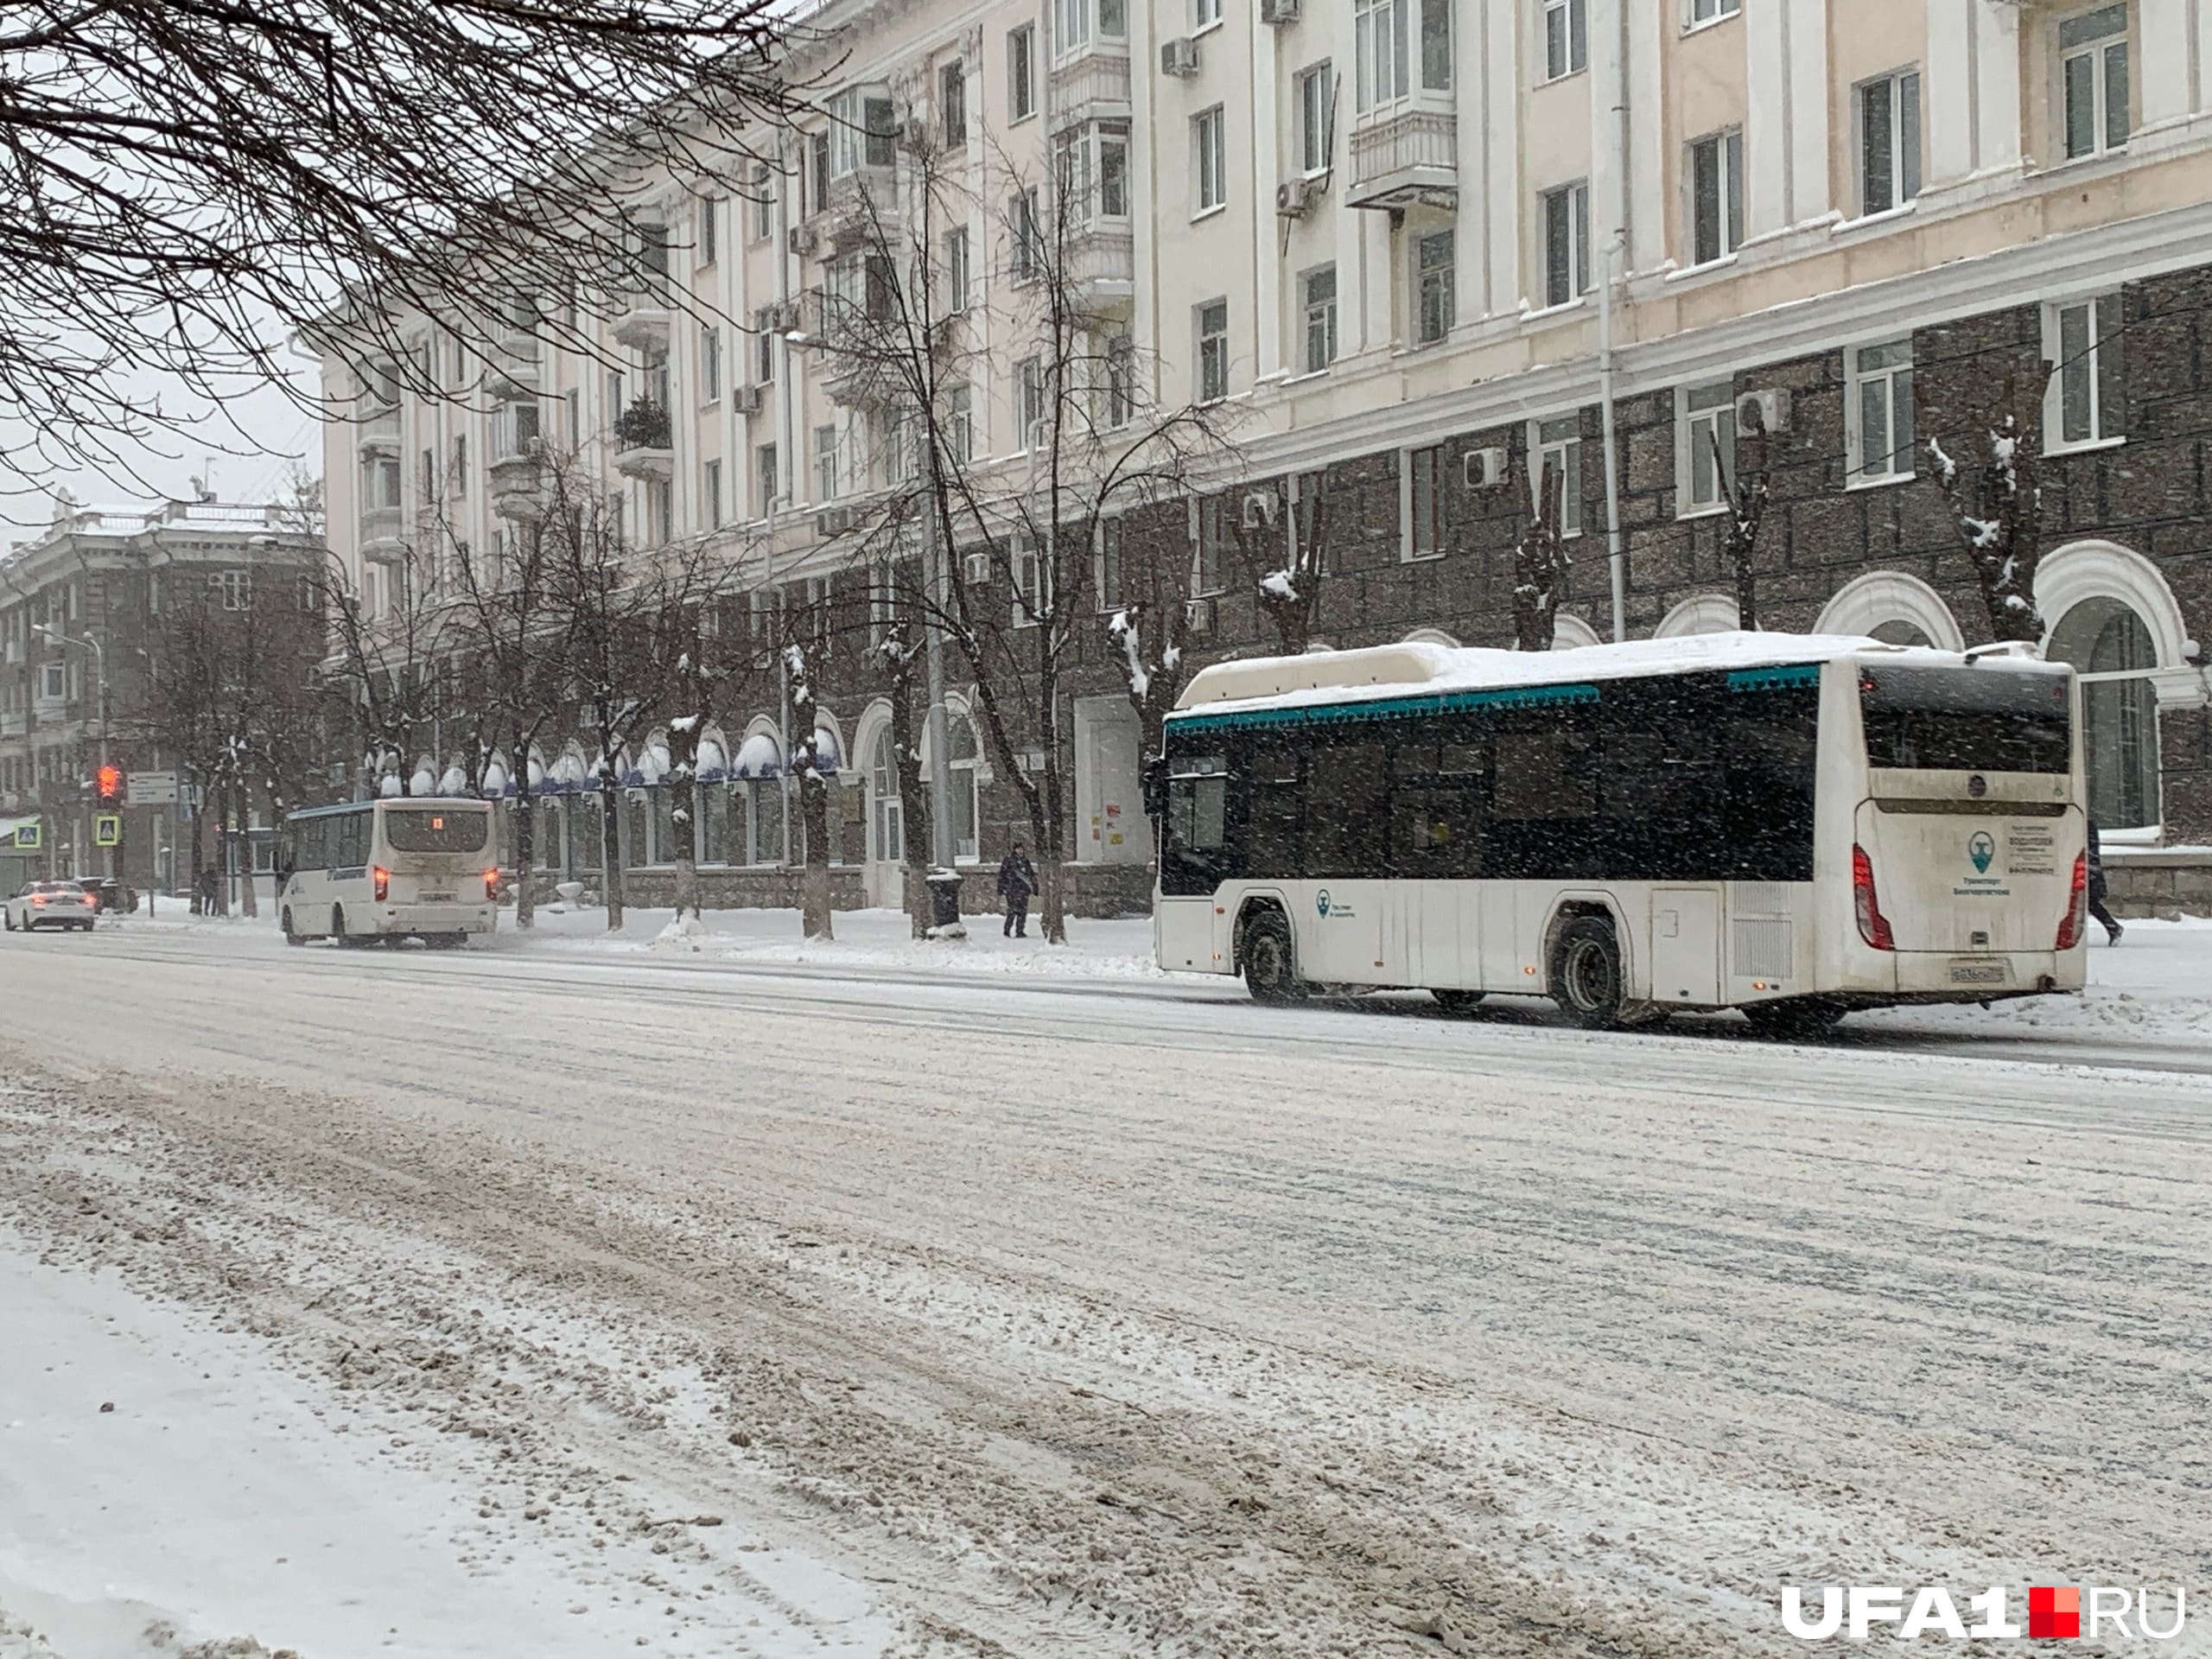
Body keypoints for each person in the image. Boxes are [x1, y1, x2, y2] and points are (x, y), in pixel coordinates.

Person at [2087, 819, 2123, 945]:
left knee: (2089, 902)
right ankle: (2112, 926)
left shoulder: (2083, 826)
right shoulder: (2084, 825)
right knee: (2089, 902)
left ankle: (2112, 926)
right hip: (2088, 870)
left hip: (2087, 871)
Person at [995, 840, 1037, 938]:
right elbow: (1002, 874)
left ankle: (1020, 930)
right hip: (1012, 889)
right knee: (1012, 911)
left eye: (1021, 849)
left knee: (1023, 911)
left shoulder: (1025, 861)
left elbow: (1030, 875)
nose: (1020, 851)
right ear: (1015, 850)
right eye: (1018, 849)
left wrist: (1034, 886)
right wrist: (1001, 887)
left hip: (1023, 890)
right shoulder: (1009, 860)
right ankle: (1007, 930)